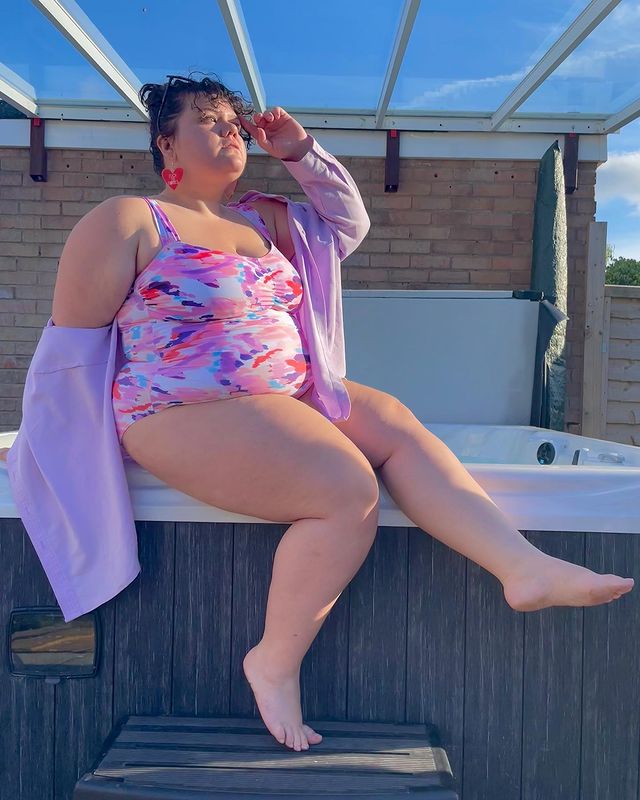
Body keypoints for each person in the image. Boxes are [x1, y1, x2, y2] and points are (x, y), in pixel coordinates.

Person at [4, 72, 634, 754]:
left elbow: (347, 225)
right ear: (167, 142)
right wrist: (49, 440)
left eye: (235, 123)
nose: (231, 132)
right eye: (209, 120)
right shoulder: (128, 219)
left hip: (287, 395)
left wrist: (302, 152)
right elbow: (71, 348)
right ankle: (273, 661)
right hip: (177, 407)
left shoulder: (265, 219)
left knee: (395, 424)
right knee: (344, 488)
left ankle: (521, 567)